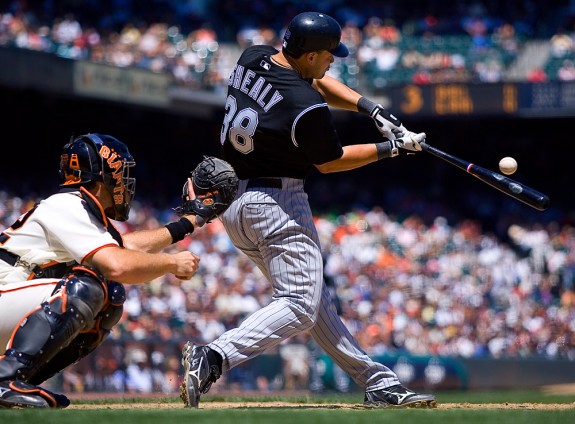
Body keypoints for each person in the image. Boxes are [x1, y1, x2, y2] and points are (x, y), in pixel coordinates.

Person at [180, 11, 437, 409]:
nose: (334, 59)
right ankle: (214, 355)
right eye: (328, 53)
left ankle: (377, 383)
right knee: (300, 304)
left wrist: (369, 109)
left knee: (313, 303)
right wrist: (392, 148)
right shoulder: (306, 107)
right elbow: (330, 161)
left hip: (233, 202)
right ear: (311, 53)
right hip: (277, 203)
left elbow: (311, 79)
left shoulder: (253, 56)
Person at [0, 133, 202, 408]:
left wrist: (188, 223)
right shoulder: (69, 204)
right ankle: (6, 380)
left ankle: (16, 383)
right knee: (89, 288)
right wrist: (172, 263)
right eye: (121, 173)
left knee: (109, 299)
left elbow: (124, 247)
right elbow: (117, 263)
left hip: (10, 297)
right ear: (102, 176)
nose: (124, 182)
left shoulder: (73, 207)